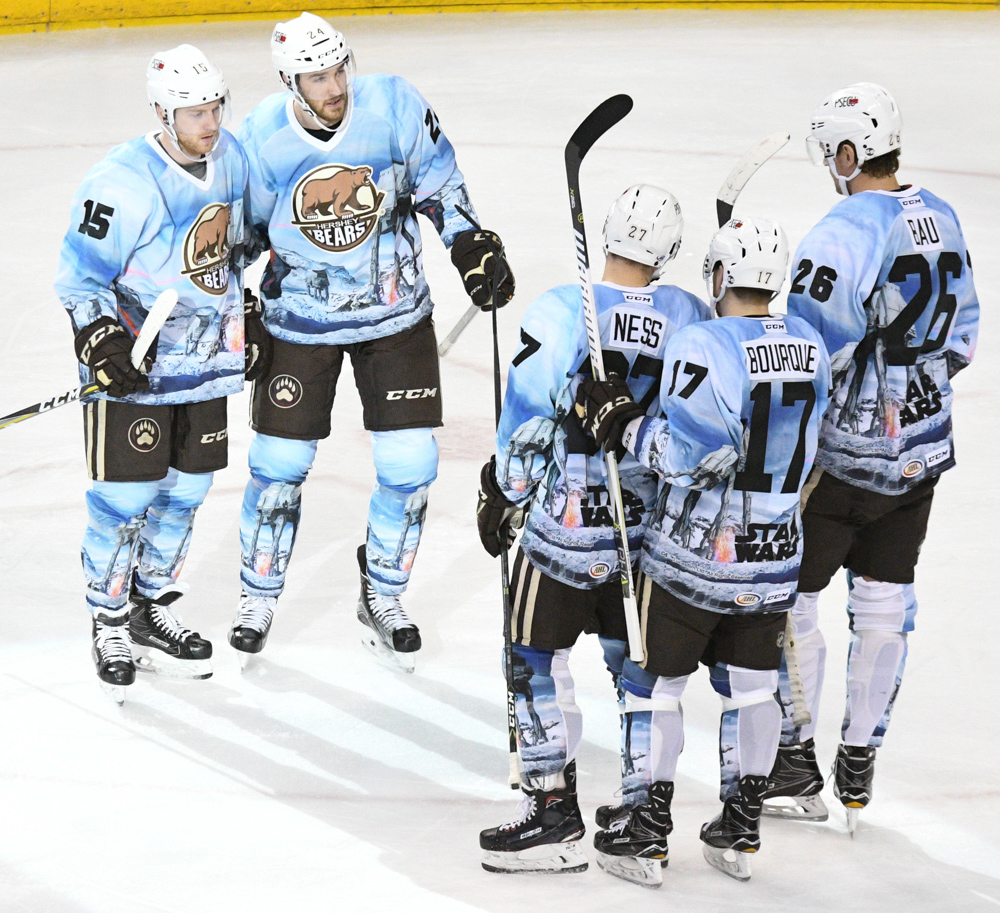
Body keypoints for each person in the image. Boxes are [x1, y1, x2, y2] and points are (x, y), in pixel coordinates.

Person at [232, 12, 513, 673]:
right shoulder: (261, 141)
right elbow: (236, 239)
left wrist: (470, 242)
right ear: (288, 80)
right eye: (317, 76)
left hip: (395, 315)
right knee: (278, 467)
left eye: (339, 69)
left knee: (412, 464)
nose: (334, 86)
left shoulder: (393, 106)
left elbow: (441, 185)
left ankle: (382, 593)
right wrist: (233, 308)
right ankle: (256, 597)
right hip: (300, 322)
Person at [576, 217, 830, 884]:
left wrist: (623, 424)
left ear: (719, 276)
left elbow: (688, 459)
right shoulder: (812, 343)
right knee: (752, 690)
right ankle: (741, 827)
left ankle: (647, 831)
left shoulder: (703, 342)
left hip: (695, 558)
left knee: (654, 687)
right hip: (775, 557)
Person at [764, 83, 979, 832]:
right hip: (921, 450)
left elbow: (808, 351)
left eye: (833, 155)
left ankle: (795, 761)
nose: (832, 167)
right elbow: (963, 340)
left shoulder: (847, 226)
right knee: (887, 598)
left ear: (851, 154)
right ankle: (861, 754)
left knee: (792, 596)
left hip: (841, 459)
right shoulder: (942, 216)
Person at [475, 185, 708, 874]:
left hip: (565, 534)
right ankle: (641, 815)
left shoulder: (563, 310)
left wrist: (504, 494)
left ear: (606, 232)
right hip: (646, 538)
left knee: (532, 659)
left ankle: (551, 812)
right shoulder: (690, 317)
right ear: (668, 252)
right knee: (639, 671)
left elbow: (527, 419)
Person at [55, 45, 250, 701]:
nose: (210, 122)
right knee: (127, 498)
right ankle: (108, 619)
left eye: (215, 107)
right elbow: (80, 278)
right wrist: (102, 336)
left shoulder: (231, 161)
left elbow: (235, 248)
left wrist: (250, 309)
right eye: (194, 112)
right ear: (164, 113)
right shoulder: (120, 182)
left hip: (206, 369)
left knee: (188, 493)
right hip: (135, 373)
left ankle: (147, 604)